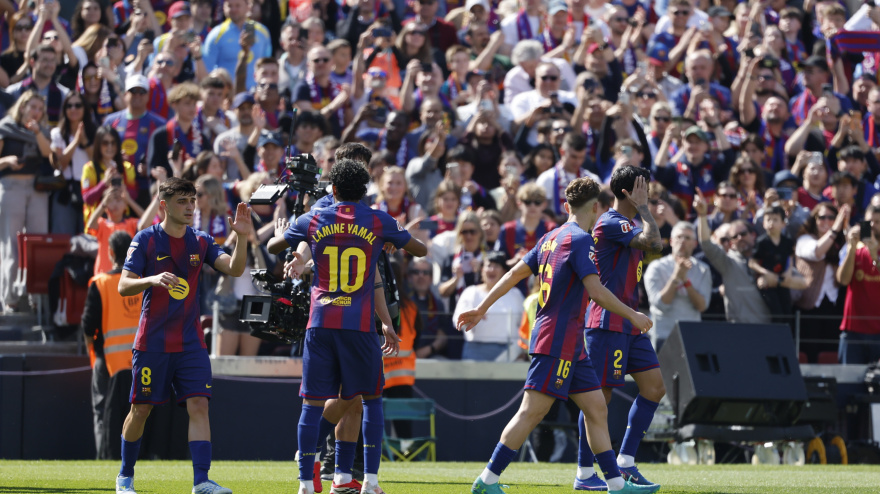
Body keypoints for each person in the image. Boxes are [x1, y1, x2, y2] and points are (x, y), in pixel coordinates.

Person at [456, 176, 656, 494]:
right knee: (532, 411)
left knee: (596, 407)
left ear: (566, 206)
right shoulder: (580, 240)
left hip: (571, 342)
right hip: (558, 340)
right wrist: (632, 314)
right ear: (595, 207)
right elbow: (597, 291)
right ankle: (487, 480)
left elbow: (513, 273)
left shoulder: (551, 237)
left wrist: (482, 307)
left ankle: (616, 484)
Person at [267, 159, 428, 494]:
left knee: (311, 404)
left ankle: (306, 484)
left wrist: (285, 235)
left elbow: (273, 247)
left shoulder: (314, 218)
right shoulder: (376, 220)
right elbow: (421, 249)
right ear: (365, 191)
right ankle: (369, 481)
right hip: (358, 325)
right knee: (370, 400)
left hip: (321, 322)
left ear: (334, 189)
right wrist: (391, 234)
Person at [116, 178, 253, 494]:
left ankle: (201, 481)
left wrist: (242, 239)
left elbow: (233, 268)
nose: (190, 207)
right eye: (182, 201)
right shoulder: (146, 240)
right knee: (141, 409)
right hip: (153, 342)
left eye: (193, 200)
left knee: (199, 406)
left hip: (191, 343)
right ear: (164, 205)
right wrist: (152, 279)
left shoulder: (201, 241)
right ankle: (125, 477)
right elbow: (124, 285)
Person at [575, 166, 664, 490]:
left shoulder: (627, 223)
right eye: (645, 188)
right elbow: (653, 242)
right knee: (599, 399)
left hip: (629, 321)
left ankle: (625, 461)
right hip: (608, 321)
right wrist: (644, 208)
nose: (650, 193)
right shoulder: (613, 222)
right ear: (631, 192)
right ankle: (585, 472)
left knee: (654, 387)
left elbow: (655, 246)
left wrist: (643, 212)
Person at [81, 231, 141, 460]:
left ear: (111, 253)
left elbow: (88, 327)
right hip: (140, 363)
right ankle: (136, 459)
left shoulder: (101, 283)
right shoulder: (144, 282)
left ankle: (104, 458)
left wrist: (94, 356)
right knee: (138, 413)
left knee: (102, 412)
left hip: (108, 363)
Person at [0, 90, 53, 313]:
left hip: (37, 189)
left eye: (40, 109)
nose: (37, 112)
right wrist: (6, 160)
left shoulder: (43, 130)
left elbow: (48, 153)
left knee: (37, 242)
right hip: (12, 187)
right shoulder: (6, 127)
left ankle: (35, 298)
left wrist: (38, 132)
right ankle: (9, 299)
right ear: (22, 107)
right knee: (11, 245)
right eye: (33, 107)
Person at [694, 190, 771, 324]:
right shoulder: (727, 262)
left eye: (743, 233)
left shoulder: (767, 256)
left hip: (770, 328)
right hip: (738, 329)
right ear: (731, 243)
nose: (740, 238)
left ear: (753, 235)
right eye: (735, 237)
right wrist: (702, 215)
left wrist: (776, 280)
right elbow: (706, 244)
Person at [643, 222, 711, 350]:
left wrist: (686, 281)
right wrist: (676, 276)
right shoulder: (656, 267)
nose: (683, 241)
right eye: (679, 237)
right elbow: (661, 303)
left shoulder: (703, 269)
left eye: (687, 238)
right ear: (671, 241)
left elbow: (702, 306)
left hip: (692, 336)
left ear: (695, 244)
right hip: (662, 335)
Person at [453, 251, 524, 361]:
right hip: (475, 352)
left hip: (509, 354)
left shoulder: (516, 294)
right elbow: (457, 321)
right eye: (489, 265)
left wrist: (522, 351)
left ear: (505, 272)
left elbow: (524, 325)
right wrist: (469, 319)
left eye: (496, 266)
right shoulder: (470, 292)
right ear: (482, 270)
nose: (492, 270)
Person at [835, 204, 880, 364]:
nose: (873, 226)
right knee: (848, 383)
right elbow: (843, 280)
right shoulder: (856, 250)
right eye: (869, 222)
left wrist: (875, 256)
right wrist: (851, 248)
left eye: (878, 222)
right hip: (853, 331)